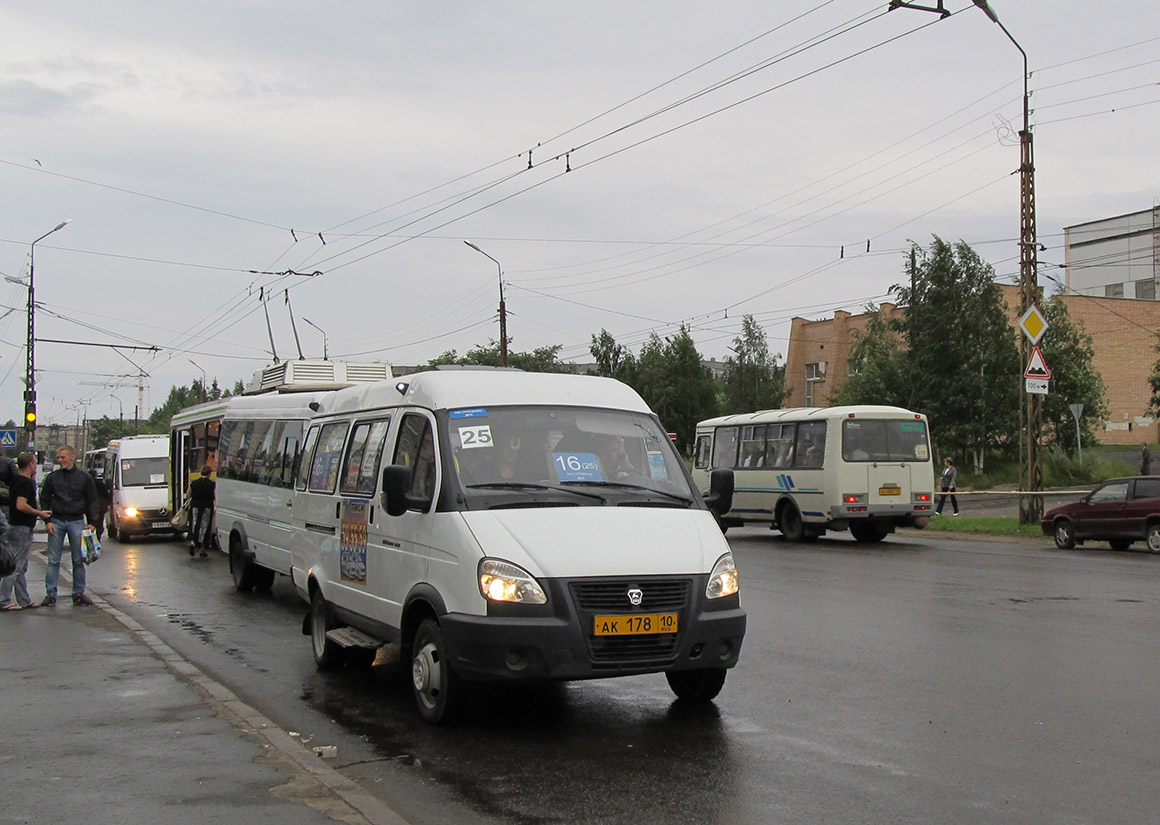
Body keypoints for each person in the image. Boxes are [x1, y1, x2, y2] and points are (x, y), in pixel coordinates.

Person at [39, 444, 100, 606]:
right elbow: (44, 498)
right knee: (53, 560)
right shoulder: (52, 478)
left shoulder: (84, 478)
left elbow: (92, 500)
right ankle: (51, 594)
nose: (60, 460)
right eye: (58, 458)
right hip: (57, 520)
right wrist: (48, 520)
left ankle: (78, 593)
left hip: (76, 520)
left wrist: (93, 522)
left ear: (72, 457)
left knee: (78, 560)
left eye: (63, 457)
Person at [1, 453, 52, 611]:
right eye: (34, 463)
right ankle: (4, 600)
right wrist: (40, 513)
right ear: (31, 464)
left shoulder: (16, 480)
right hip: (21, 527)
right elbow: (21, 505)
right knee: (15, 566)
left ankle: (24, 599)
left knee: (21, 566)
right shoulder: (25, 482)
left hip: (15, 525)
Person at [187, 465, 216, 558]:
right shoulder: (212, 484)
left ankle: (192, 542)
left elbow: (188, 494)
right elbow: (215, 495)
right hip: (207, 507)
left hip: (195, 506)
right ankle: (202, 549)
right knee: (205, 526)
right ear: (209, 474)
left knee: (194, 524)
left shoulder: (194, 483)